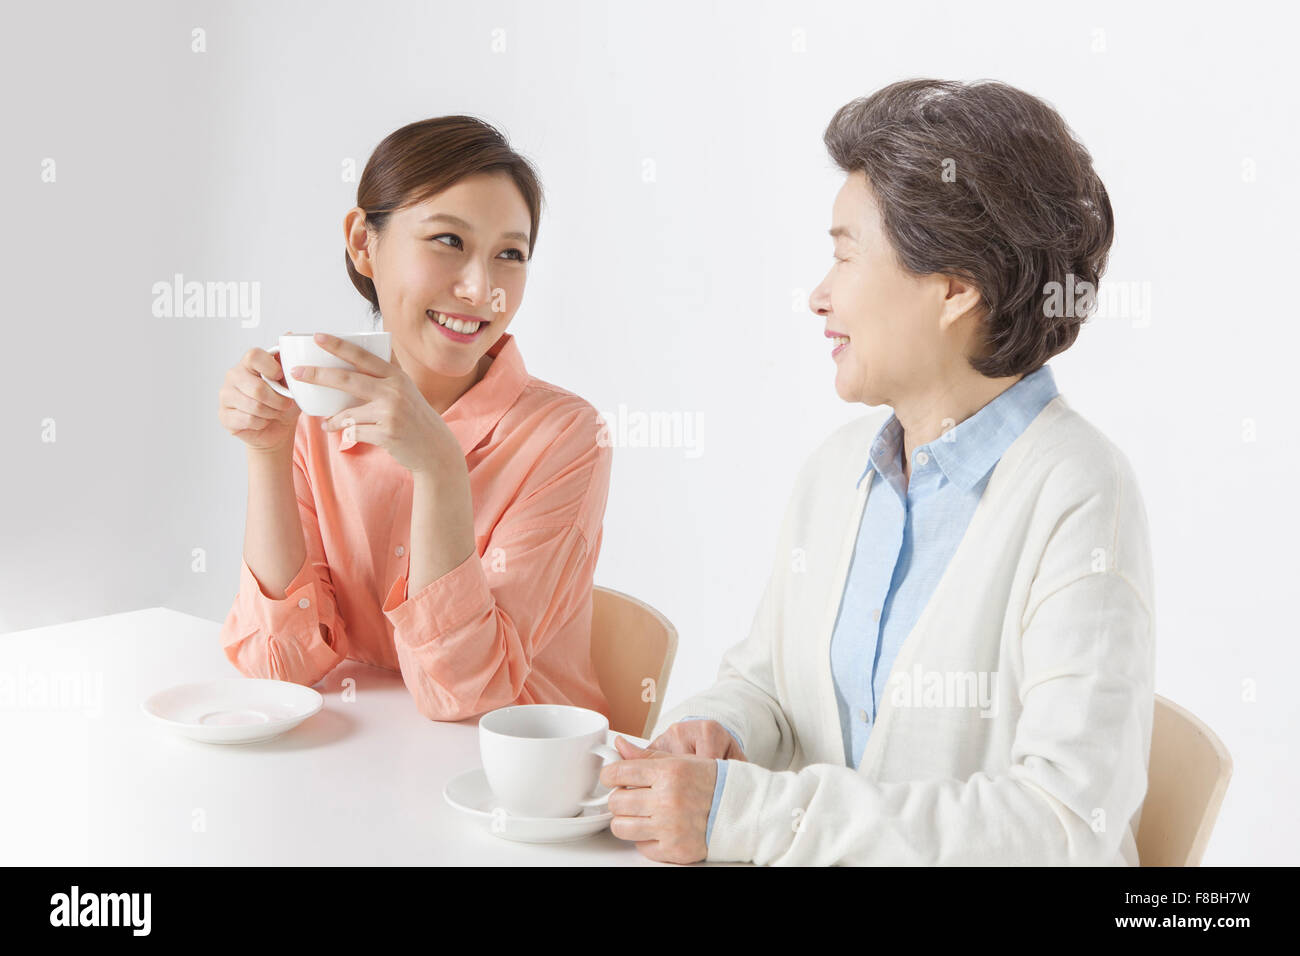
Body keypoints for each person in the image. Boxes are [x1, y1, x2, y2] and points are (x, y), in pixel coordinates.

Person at [601, 78, 1155, 865]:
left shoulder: (1079, 493)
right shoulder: (839, 472)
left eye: (844, 254)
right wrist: (720, 726)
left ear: (956, 287)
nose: (818, 296)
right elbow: (768, 686)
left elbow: (1065, 828)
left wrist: (751, 816)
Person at [217, 116, 610, 721]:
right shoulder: (318, 415)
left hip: (520, 790)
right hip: (371, 770)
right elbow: (279, 666)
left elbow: (467, 695)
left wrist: (440, 470)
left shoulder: (566, 436)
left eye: (510, 254)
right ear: (362, 242)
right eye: (448, 241)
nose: (482, 289)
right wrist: (269, 452)